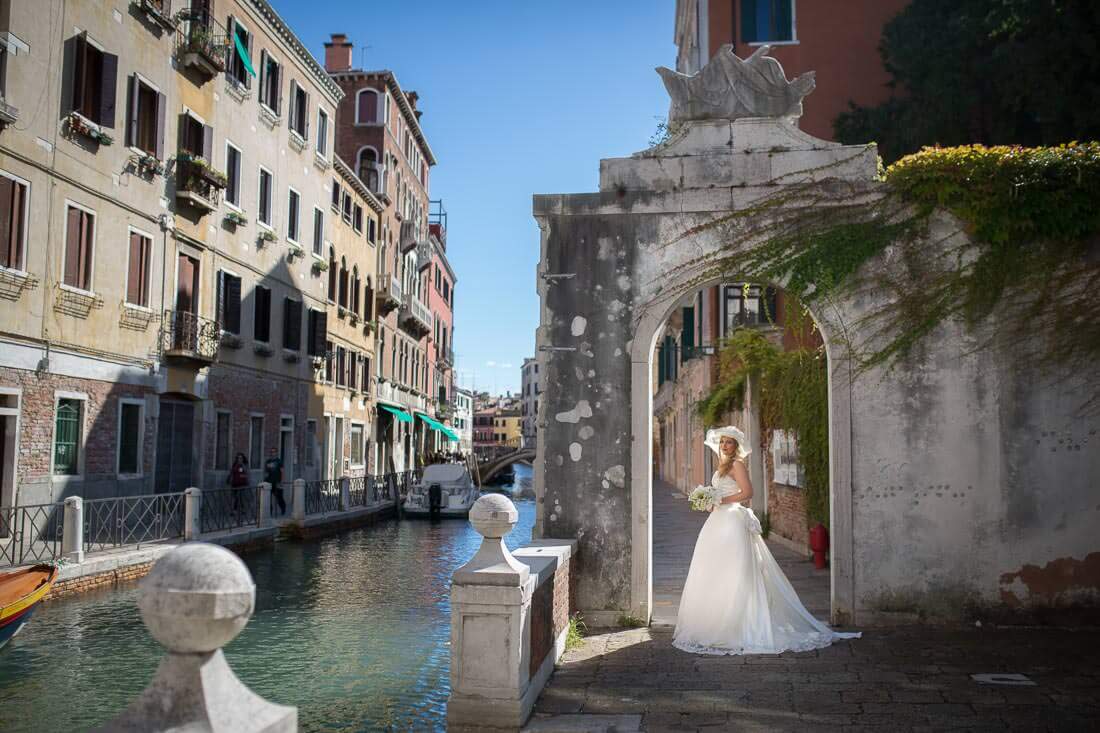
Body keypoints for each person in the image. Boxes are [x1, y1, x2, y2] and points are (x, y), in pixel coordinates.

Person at [673, 426, 860, 655]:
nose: (724, 446)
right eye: (722, 442)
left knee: (736, 570)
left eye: (729, 442)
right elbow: (720, 492)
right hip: (717, 521)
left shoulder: (737, 465)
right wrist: (708, 500)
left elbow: (747, 492)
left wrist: (721, 499)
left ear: (736, 446)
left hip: (732, 520)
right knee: (715, 569)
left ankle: (740, 623)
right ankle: (715, 619)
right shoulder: (721, 465)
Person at [227, 452, 249, 519]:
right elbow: (232, 472)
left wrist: (242, 466)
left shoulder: (244, 465)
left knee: (240, 497)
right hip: (235, 484)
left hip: (242, 484)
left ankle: (240, 510)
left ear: (243, 459)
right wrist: (229, 479)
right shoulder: (235, 465)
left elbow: (246, 473)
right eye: (238, 458)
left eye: (241, 458)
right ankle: (235, 510)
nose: (239, 459)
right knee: (235, 498)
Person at [264, 447, 286, 516]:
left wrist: (282, 481)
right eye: (271, 452)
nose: (273, 453)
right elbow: (266, 472)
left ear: (276, 453)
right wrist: (265, 480)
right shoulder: (268, 462)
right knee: (268, 498)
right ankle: (270, 511)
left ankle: (283, 507)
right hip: (269, 482)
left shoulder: (279, 461)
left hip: (277, 482)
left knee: (279, 497)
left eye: (274, 452)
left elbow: (282, 471)